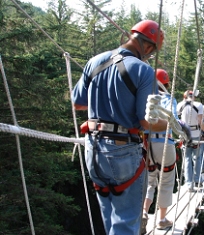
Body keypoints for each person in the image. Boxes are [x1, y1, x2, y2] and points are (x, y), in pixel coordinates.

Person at [71, 20, 168, 235]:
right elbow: (146, 122)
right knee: (125, 224)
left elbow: (77, 103)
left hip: (93, 150)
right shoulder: (143, 71)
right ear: (149, 47)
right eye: (151, 52)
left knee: (110, 221)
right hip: (122, 152)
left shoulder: (94, 61)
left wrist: (106, 98)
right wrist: (171, 124)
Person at [141, 69, 178, 233]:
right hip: (165, 142)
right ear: (166, 83)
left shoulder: (145, 99)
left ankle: (143, 212)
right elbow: (173, 121)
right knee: (166, 180)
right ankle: (162, 219)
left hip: (147, 144)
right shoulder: (170, 100)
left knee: (150, 180)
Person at [177, 90, 204, 191]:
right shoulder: (199, 105)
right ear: (194, 97)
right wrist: (203, 132)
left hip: (185, 135)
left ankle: (189, 184)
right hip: (196, 134)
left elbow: (177, 120)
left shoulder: (180, 105)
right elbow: (200, 122)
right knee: (197, 158)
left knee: (187, 158)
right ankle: (197, 180)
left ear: (185, 97)